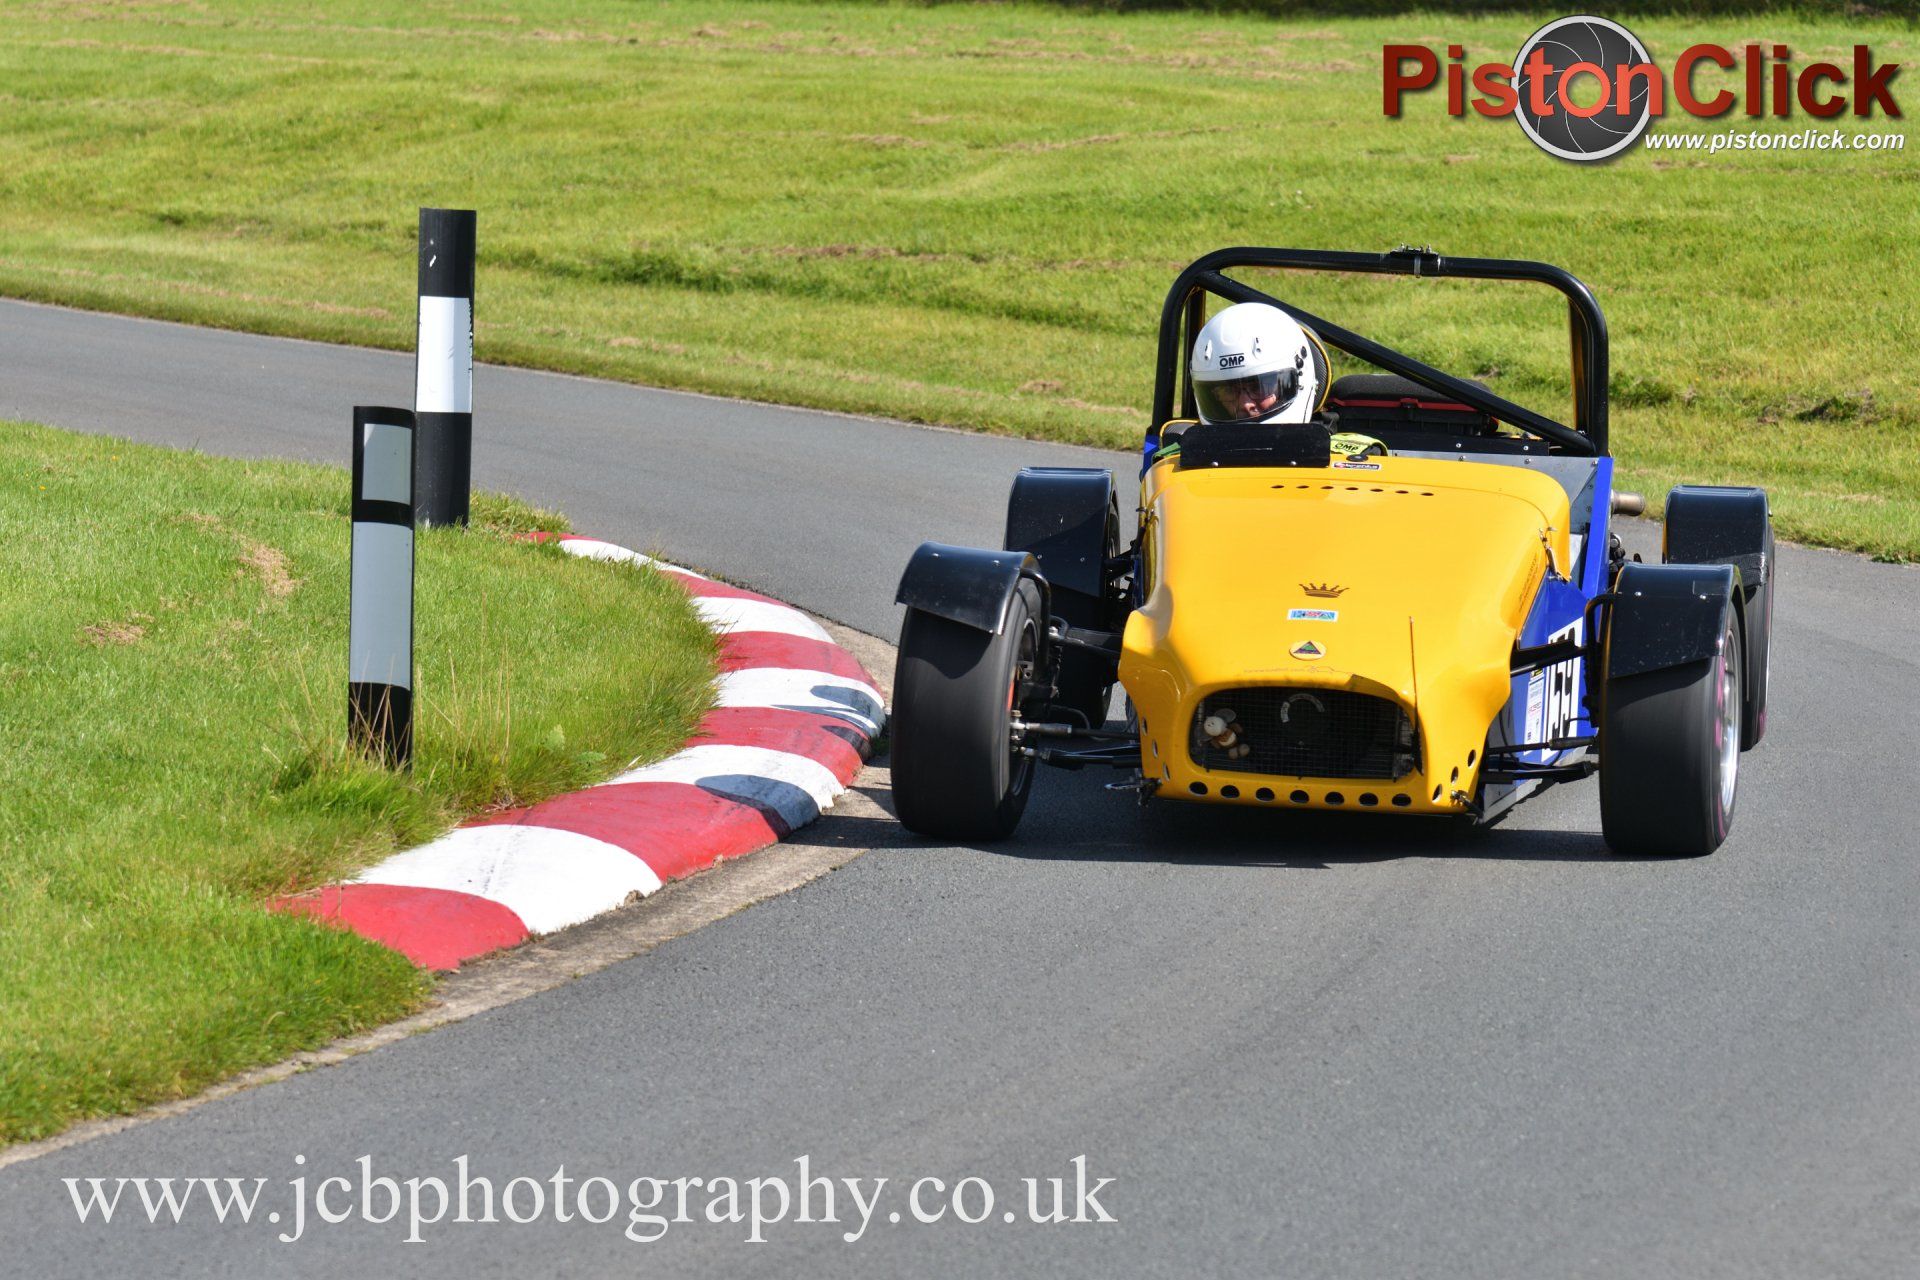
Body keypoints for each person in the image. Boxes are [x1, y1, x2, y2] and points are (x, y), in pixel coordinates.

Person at [1189, 302, 1322, 426]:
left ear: (1299, 380)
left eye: (1258, 387)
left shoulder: (1333, 450)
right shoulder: (1184, 449)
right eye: (1229, 390)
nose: (1245, 405)